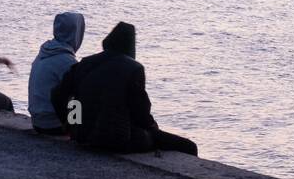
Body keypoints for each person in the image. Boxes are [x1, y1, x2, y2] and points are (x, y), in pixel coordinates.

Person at [51, 22, 197, 156]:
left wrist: (73, 124)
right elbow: (141, 113)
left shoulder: (84, 63)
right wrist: (153, 127)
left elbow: (59, 96)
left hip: (82, 135)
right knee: (188, 146)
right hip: (118, 141)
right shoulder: (133, 69)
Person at [27, 12, 85, 134]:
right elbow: (76, 97)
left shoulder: (45, 52)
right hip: (53, 124)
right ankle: (76, 132)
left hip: (37, 121)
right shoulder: (67, 62)